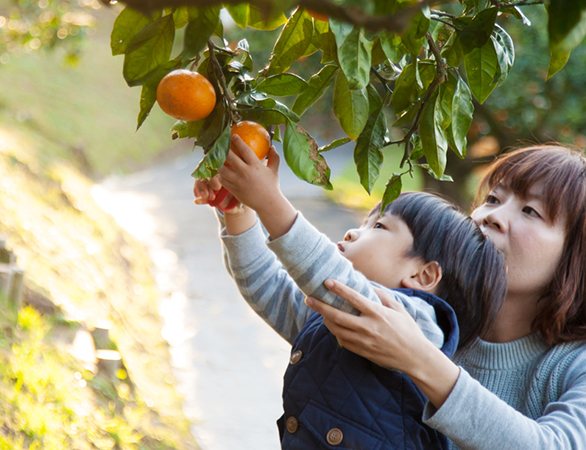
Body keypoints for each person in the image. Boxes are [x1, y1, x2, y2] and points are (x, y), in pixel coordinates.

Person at [304, 145, 586, 450]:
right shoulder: (427, 322)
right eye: (493, 199)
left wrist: (420, 361)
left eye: (530, 211)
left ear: (582, 256)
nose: (489, 217)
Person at [193, 134, 507, 449]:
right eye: (365, 221)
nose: (353, 231)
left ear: (423, 275)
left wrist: (269, 202)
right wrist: (239, 212)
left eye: (379, 227)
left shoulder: (419, 326)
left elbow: (329, 275)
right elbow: (266, 285)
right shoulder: (334, 317)